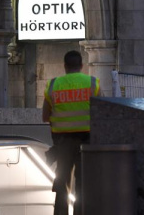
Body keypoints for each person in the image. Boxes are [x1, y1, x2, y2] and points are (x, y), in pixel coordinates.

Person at [42, 50, 101, 215]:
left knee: (62, 184)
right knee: (82, 184)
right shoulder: (93, 84)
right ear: (81, 66)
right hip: (86, 141)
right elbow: (101, 115)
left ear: (65, 66)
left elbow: (45, 117)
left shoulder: (53, 85)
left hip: (62, 143)